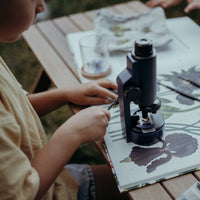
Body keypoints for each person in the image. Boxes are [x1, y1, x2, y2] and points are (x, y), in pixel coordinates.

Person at [0, 1, 128, 200]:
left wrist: (64, 94)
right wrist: (73, 133)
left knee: (128, 182)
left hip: (52, 178)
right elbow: (22, 193)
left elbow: (14, 108)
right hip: (44, 190)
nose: (41, 7)